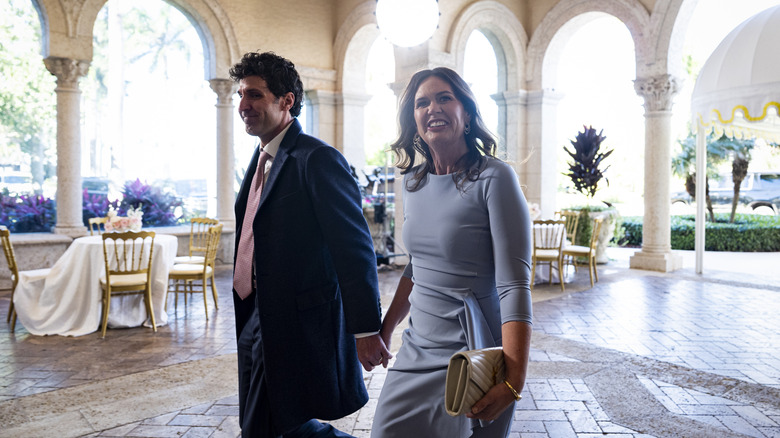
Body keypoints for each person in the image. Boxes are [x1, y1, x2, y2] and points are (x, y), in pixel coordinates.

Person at [230, 51, 390, 438]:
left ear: (286, 101)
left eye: (254, 95)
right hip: (256, 313)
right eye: (240, 95)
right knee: (274, 423)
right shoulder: (262, 158)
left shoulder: (317, 159)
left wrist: (366, 329)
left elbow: (353, 248)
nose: (243, 105)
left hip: (297, 322)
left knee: (266, 427)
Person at [370, 67, 533, 438]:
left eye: (445, 97)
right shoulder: (413, 183)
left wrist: (513, 380)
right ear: (413, 119)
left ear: (468, 112)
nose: (433, 108)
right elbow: (417, 266)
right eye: (422, 102)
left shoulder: (495, 178)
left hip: (472, 352)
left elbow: (514, 285)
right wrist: (385, 328)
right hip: (416, 348)